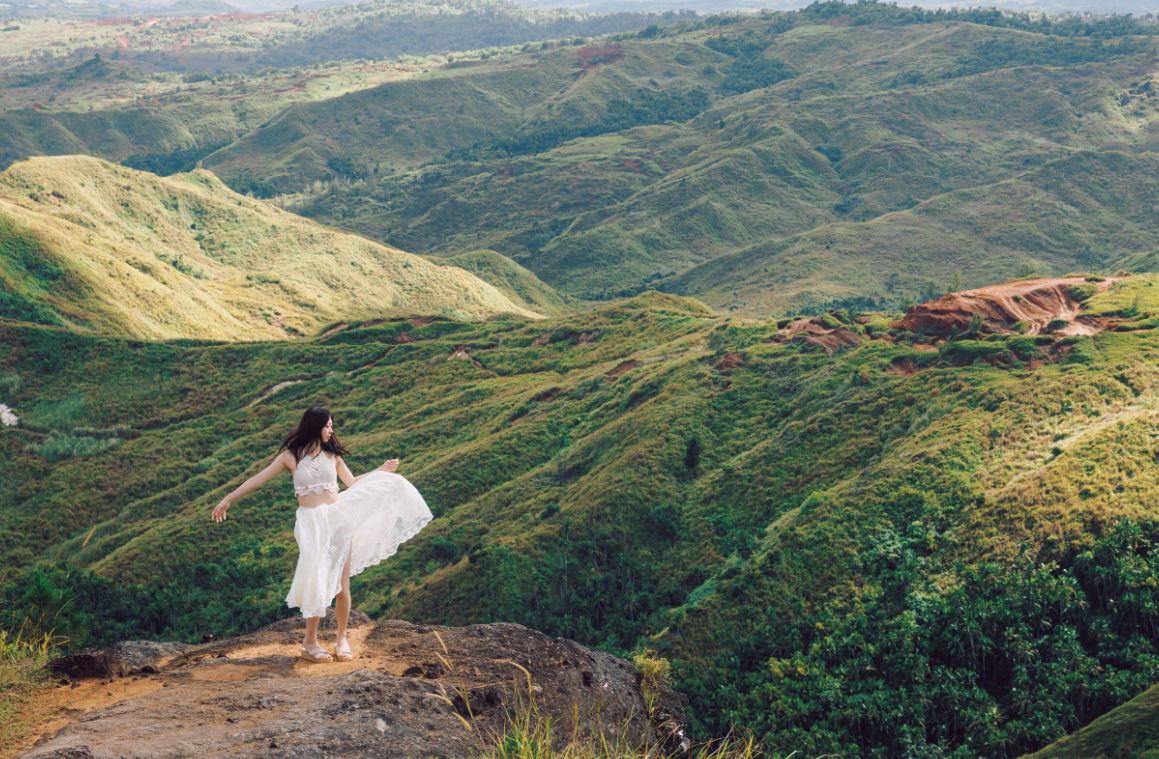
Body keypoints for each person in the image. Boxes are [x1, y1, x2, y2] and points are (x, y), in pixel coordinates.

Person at [212, 407, 432, 663]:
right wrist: (228, 499)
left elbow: (352, 483)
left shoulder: (333, 456)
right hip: (310, 523)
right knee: (317, 576)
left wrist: (380, 471)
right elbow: (258, 479)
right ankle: (310, 641)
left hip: (337, 519)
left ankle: (341, 639)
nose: (331, 430)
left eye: (331, 426)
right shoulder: (291, 456)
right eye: (328, 425)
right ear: (315, 426)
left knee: (342, 584)